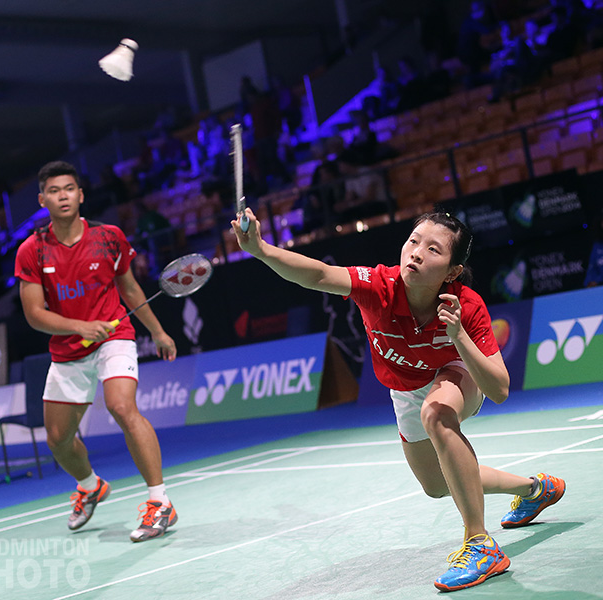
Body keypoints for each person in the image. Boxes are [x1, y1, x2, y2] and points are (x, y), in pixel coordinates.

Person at [231, 208, 565, 591]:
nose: (417, 253)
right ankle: (534, 488)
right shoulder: (379, 287)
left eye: (433, 249)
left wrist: (458, 335)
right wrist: (262, 250)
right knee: (437, 484)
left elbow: (500, 390)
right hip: (405, 389)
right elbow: (319, 274)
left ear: (453, 271)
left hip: (456, 372)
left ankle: (481, 544)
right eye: (413, 241)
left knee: (437, 414)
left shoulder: (466, 305)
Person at [14, 161, 178, 543]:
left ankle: (160, 502)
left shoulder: (108, 237)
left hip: (113, 335)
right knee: (58, 439)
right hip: (69, 347)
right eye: (54, 191)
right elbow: (34, 314)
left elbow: (130, 288)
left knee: (122, 406)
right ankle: (90, 486)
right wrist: (79, 327)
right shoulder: (32, 250)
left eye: (69, 189)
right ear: (42, 200)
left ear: (81, 195)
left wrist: (157, 331)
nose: (63, 196)